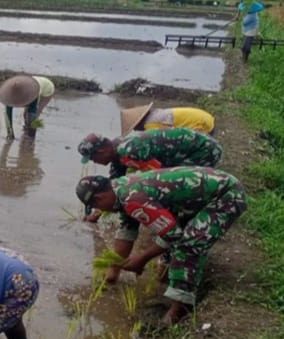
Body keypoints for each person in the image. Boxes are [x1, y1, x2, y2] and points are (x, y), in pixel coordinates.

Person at [75, 168, 247, 325]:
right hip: (196, 199)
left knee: (187, 245)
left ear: (99, 198)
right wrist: (113, 271)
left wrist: (142, 259)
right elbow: (127, 231)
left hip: (226, 195)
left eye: (97, 207)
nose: (100, 210)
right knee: (168, 251)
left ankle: (180, 309)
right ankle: (169, 285)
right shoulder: (120, 188)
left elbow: (173, 236)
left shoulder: (133, 199)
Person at [78, 129, 222, 181]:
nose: (94, 162)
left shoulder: (130, 151)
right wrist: (98, 209)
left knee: (179, 182)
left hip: (204, 150)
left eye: (92, 158)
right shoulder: (117, 152)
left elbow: (158, 176)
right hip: (188, 151)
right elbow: (116, 182)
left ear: (102, 151)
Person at [0, 75, 55, 139]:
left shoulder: (31, 93)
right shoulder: (9, 97)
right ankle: (27, 128)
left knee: (34, 114)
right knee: (25, 115)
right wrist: (10, 133)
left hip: (47, 89)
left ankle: (30, 134)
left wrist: (31, 134)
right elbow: (8, 116)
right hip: (34, 84)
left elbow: (32, 112)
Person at [120, 104, 215, 136]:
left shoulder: (150, 125)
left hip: (202, 125)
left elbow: (159, 142)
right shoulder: (156, 114)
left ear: (139, 123)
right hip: (206, 118)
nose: (136, 131)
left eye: (135, 127)